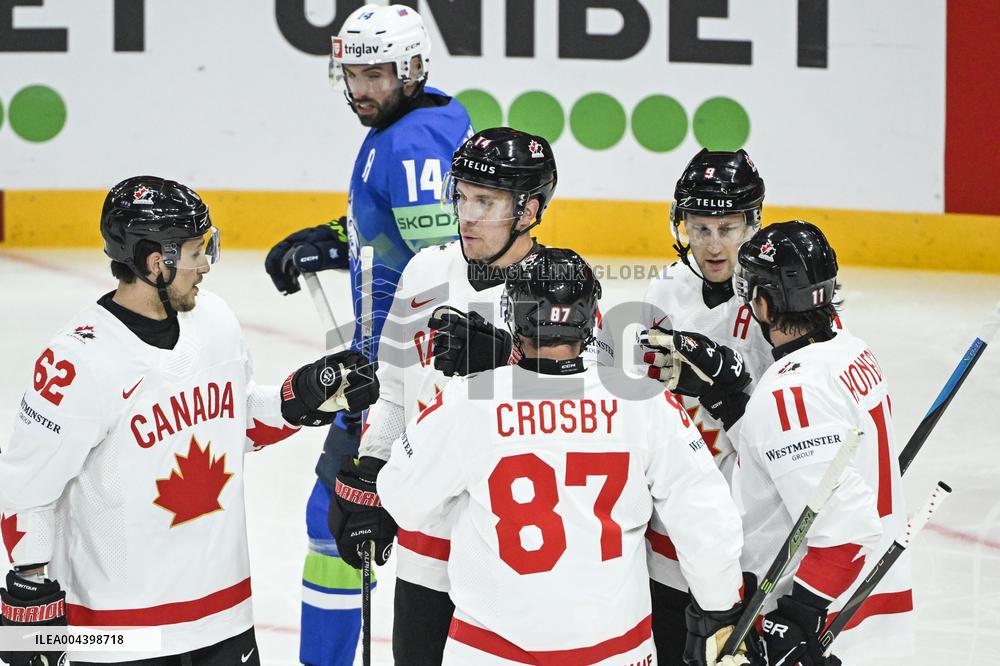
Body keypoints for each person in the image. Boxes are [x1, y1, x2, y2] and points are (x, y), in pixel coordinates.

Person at [0, 176, 377, 666]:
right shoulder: (78, 361)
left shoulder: (215, 322)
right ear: (156, 261)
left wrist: (305, 397)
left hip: (226, 617)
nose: (206, 265)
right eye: (197, 251)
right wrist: (30, 589)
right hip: (120, 633)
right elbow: (26, 484)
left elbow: (232, 421)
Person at [375, 247, 750, 665]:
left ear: (513, 312)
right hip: (618, 652)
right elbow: (704, 515)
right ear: (590, 317)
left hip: (491, 653)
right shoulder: (643, 399)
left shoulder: (469, 399)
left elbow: (401, 500)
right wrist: (721, 609)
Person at [328, 127, 613, 664]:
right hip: (425, 542)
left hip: (511, 550)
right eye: (461, 196)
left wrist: (504, 361)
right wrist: (371, 472)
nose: (468, 214)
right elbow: (393, 394)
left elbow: (590, 413)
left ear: (528, 210)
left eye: (486, 201)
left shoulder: (560, 289)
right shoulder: (426, 270)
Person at [261, 4, 473, 664]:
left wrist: (387, 408)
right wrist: (339, 236)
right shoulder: (430, 121)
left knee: (335, 531)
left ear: (411, 69)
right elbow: (419, 232)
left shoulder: (407, 144)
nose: (360, 89)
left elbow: (443, 276)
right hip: (400, 378)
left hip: (393, 380)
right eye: (351, 74)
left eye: (376, 74)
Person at [675, 221, 914, 664]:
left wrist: (797, 617)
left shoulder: (792, 390)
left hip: (822, 620)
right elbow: (789, 457)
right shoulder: (851, 350)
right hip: (869, 605)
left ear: (765, 300)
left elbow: (847, 529)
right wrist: (725, 399)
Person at [638, 149, 774, 664]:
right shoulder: (665, 288)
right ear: (682, 226)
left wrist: (731, 386)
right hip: (673, 511)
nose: (714, 245)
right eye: (701, 228)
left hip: (748, 515)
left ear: (752, 224)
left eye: (728, 227)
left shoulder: (775, 295)